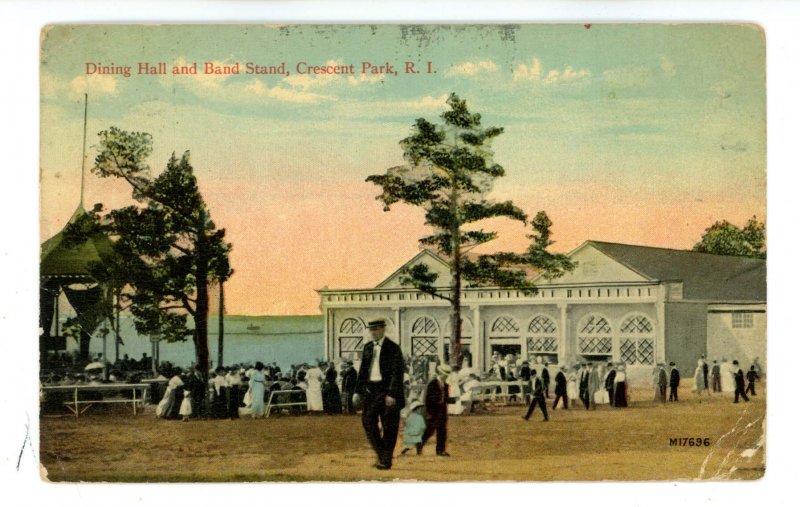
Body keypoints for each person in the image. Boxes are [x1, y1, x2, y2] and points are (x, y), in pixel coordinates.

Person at [353, 319, 405, 470]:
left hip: (388, 391)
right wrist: (357, 391)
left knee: (389, 426)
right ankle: (383, 454)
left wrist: (392, 394)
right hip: (371, 391)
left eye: (376, 329)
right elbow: (363, 371)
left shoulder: (393, 348)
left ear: (383, 329)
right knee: (368, 422)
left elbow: (397, 373)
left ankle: (385, 460)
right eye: (371, 329)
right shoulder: (368, 347)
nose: (373, 332)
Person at [420, 364, 452, 456]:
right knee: (430, 430)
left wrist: (451, 400)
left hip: (442, 410)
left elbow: (445, 398)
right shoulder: (433, 383)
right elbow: (428, 398)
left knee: (442, 431)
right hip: (433, 410)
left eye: (446, 374)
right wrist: (428, 412)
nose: (445, 376)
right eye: (444, 374)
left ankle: (440, 450)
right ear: (440, 373)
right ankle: (421, 443)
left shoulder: (446, 385)